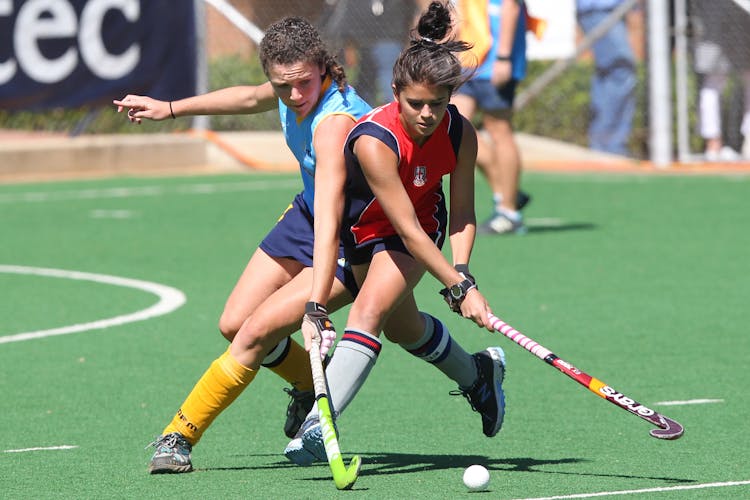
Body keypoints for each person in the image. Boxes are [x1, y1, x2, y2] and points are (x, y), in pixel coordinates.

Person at [115, 15, 495, 475]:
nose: (294, 96)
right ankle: (313, 383)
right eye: (282, 86)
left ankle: (180, 435)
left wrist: (316, 304)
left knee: (263, 332)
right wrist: (171, 108)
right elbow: (248, 97)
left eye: (303, 84)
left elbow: (337, 214)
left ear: (325, 69)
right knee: (237, 323)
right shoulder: (289, 89)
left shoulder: (335, 125)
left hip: (352, 231)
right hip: (308, 214)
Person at [285, 1, 507, 466]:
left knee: (366, 313)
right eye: (416, 104)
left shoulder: (460, 133)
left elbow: (462, 210)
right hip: (367, 235)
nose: (427, 114)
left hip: (420, 232)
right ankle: (479, 374)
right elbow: (398, 224)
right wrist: (455, 285)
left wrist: (462, 273)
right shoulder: (374, 140)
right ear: (394, 91)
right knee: (405, 328)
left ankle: (318, 425)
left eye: (438, 104)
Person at [451, 0, 531, 235]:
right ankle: (507, 190)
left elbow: (511, 7)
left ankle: (509, 212)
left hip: (495, 62)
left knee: (499, 129)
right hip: (469, 60)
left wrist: (504, 58)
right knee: (456, 126)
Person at [318, 0, 426, 106]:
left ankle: (393, 107)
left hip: (387, 39)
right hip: (366, 41)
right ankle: (378, 109)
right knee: (370, 81)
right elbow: (349, 17)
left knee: (387, 76)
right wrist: (349, 46)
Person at [690, 0, 750, 161]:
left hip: (744, 22)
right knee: (713, 83)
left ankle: (747, 142)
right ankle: (713, 143)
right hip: (714, 22)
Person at [575, 0, 637, 157]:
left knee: (610, 72)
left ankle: (603, 143)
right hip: (600, 9)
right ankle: (609, 146)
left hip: (613, 10)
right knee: (620, 71)